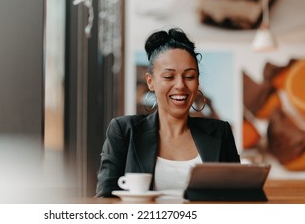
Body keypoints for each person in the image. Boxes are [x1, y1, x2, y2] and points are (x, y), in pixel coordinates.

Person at [95, 28, 240, 198]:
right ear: (151, 82)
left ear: (197, 81)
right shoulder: (123, 131)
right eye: (169, 77)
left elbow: (236, 197)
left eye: (189, 76)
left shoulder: (220, 132)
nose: (180, 85)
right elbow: (105, 201)